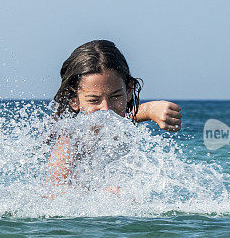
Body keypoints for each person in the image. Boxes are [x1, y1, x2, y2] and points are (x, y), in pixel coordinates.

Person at [47, 39, 181, 185]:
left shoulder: (117, 125)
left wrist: (150, 109)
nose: (106, 108)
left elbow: (122, 118)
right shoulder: (69, 145)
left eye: (116, 96)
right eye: (93, 100)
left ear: (129, 91)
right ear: (74, 100)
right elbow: (53, 196)